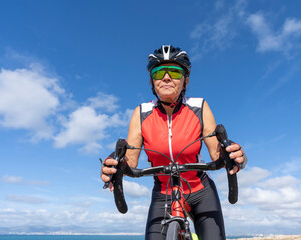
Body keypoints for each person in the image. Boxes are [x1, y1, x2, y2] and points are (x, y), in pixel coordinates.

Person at [101, 45, 247, 240]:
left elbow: (216, 153)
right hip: (163, 192)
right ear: (152, 81)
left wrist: (235, 155)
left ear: (185, 80)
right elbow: (130, 159)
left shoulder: (199, 107)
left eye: (175, 72)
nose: (167, 77)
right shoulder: (141, 113)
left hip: (199, 190)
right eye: (159, 72)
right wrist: (115, 163)